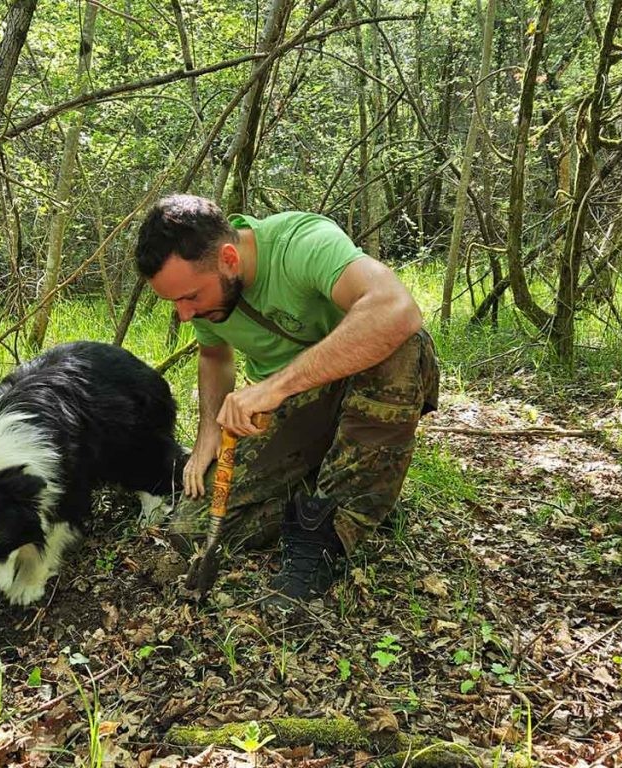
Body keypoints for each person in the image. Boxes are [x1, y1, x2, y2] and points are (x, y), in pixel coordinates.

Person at [134, 194, 438, 610]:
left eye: (190, 297)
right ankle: (356, 489)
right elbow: (214, 354)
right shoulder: (209, 306)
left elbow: (397, 310)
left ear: (228, 258)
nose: (184, 315)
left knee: (403, 344)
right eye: (175, 304)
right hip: (298, 411)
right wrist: (209, 432)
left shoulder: (302, 243)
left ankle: (328, 532)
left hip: (362, 392)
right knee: (191, 527)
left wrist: (274, 387)